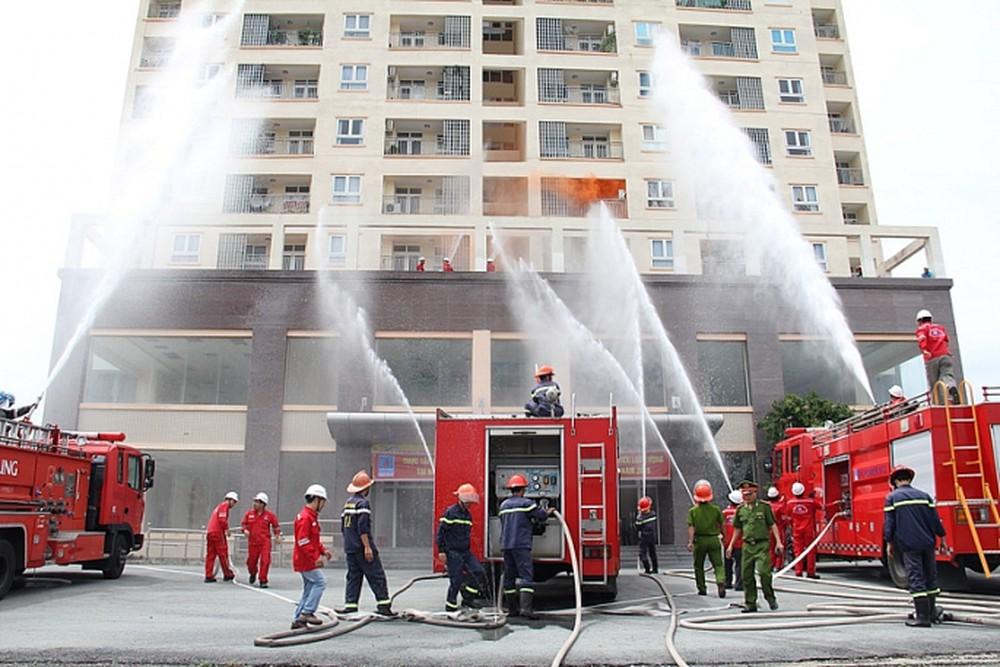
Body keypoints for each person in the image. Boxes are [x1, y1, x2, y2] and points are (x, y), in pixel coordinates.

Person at [884, 465, 947, 627]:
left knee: (916, 577)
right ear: (910, 479)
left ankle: (922, 617)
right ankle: (932, 612)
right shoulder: (924, 496)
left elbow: (889, 525)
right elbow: (935, 521)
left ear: (895, 481)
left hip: (909, 544)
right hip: (928, 543)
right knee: (930, 576)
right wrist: (943, 537)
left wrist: (889, 543)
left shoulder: (893, 498)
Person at [337, 471, 395, 617]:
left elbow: (343, 527)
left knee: (353, 577)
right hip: (362, 547)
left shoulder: (348, 503)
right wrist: (367, 547)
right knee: (376, 575)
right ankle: (384, 606)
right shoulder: (363, 503)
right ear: (365, 488)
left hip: (350, 547)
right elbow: (363, 528)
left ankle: (350, 605)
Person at [499, 473, 553, 619]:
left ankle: (512, 610)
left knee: (509, 577)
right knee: (526, 576)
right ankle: (526, 609)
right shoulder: (526, 503)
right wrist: (548, 511)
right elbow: (540, 516)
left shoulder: (503, 505)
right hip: (521, 545)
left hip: (506, 545)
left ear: (511, 489)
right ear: (523, 489)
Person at [727, 480, 782, 613]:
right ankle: (750, 603)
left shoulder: (764, 507)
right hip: (747, 546)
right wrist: (730, 546)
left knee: (764, 572)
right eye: (744, 494)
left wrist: (779, 542)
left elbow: (772, 525)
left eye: (749, 494)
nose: (747, 497)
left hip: (762, 544)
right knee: (746, 575)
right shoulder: (740, 510)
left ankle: (770, 597)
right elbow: (737, 529)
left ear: (755, 493)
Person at [437, 483, 487, 612]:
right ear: (462, 499)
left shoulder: (467, 514)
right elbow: (440, 533)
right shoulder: (451, 512)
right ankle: (451, 606)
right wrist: (442, 551)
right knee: (456, 580)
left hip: (465, 551)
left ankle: (468, 599)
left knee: (479, 571)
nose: (470, 504)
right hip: (453, 551)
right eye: (469, 501)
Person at [291, 484, 333, 629]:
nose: (324, 505)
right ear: (317, 499)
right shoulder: (306, 518)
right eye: (323, 502)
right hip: (305, 560)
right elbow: (303, 541)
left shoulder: (310, 517)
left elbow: (313, 540)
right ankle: (307, 612)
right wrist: (315, 558)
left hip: (305, 559)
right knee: (320, 582)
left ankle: (298, 619)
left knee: (309, 588)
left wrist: (323, 551)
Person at [687, 480, 726, 598]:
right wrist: (723, 536)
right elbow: (721, 525)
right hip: (714, 539)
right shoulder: (716, 509)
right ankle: (720, 581)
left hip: (699, 541)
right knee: (718, 564)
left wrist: (690, 542)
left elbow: (691, 527)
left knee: (699, 566)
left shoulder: (692, 511)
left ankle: (702, 588)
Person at [915, 309, 959, 404]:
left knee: (934, 384)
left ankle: (938, 404)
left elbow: (922, 339)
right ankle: (951, 387)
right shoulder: (940, 328)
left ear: (920, 321)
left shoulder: (922, 329)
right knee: (947, 376)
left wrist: (924, 350)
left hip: (932, 357)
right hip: (945, 356)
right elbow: (946, 340)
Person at [241, 492, 281, 588]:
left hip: (264, 542)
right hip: (253, 542)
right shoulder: (249, 514)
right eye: (254, 501)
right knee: (251, 562)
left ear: (263, 504)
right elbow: (243, 524)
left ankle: (263, 580)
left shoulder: (270, 515)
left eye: (257, 502)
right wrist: (245, 530)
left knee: (265, 560)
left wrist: (277, 536)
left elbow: (276, 526)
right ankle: (253, 573)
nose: (254, 504)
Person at [786, 482, 821, 579]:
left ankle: (798, 571)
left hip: (796, 530)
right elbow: (822, 507)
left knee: (798, 551)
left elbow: (788, 517)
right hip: (809, 530)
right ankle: (810, 572)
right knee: (810, 551)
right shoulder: (810, 502)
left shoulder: (789, 503)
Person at [204, 491, 238, 583]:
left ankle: (208, 574)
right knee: (223, 554)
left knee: (211, 555)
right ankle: (227, 573)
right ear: (230, 500)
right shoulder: (224, 506)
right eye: (234, 502)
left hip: (211, 532)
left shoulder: (218, 507)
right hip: (217, 533)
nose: (234, 504)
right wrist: (227, 529)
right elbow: (222, 519)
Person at [723, 489, 743, 591]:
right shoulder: (743, 512)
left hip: (727, 543)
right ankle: (739, 584)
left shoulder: (725, 513)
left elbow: (720, 526)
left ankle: (727, 582)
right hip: (740, 543)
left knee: (727, 564)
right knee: (740, 564)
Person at [766, 486, 788, 570]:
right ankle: (779, 565)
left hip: (768, 529)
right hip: (778, 528)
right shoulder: (780, 506)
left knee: (770, 548)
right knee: (780, 546)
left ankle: (771, 564)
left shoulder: (766, 506)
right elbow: (784, 519)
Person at [635, 496, 658, 574]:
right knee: (652, 553)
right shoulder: (653, 514)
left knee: (643, 554)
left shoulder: (640, 518)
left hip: (644, 537)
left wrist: (638, 518)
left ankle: (647, 569)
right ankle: (655, 569)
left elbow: (637, 527)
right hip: (652, 536)